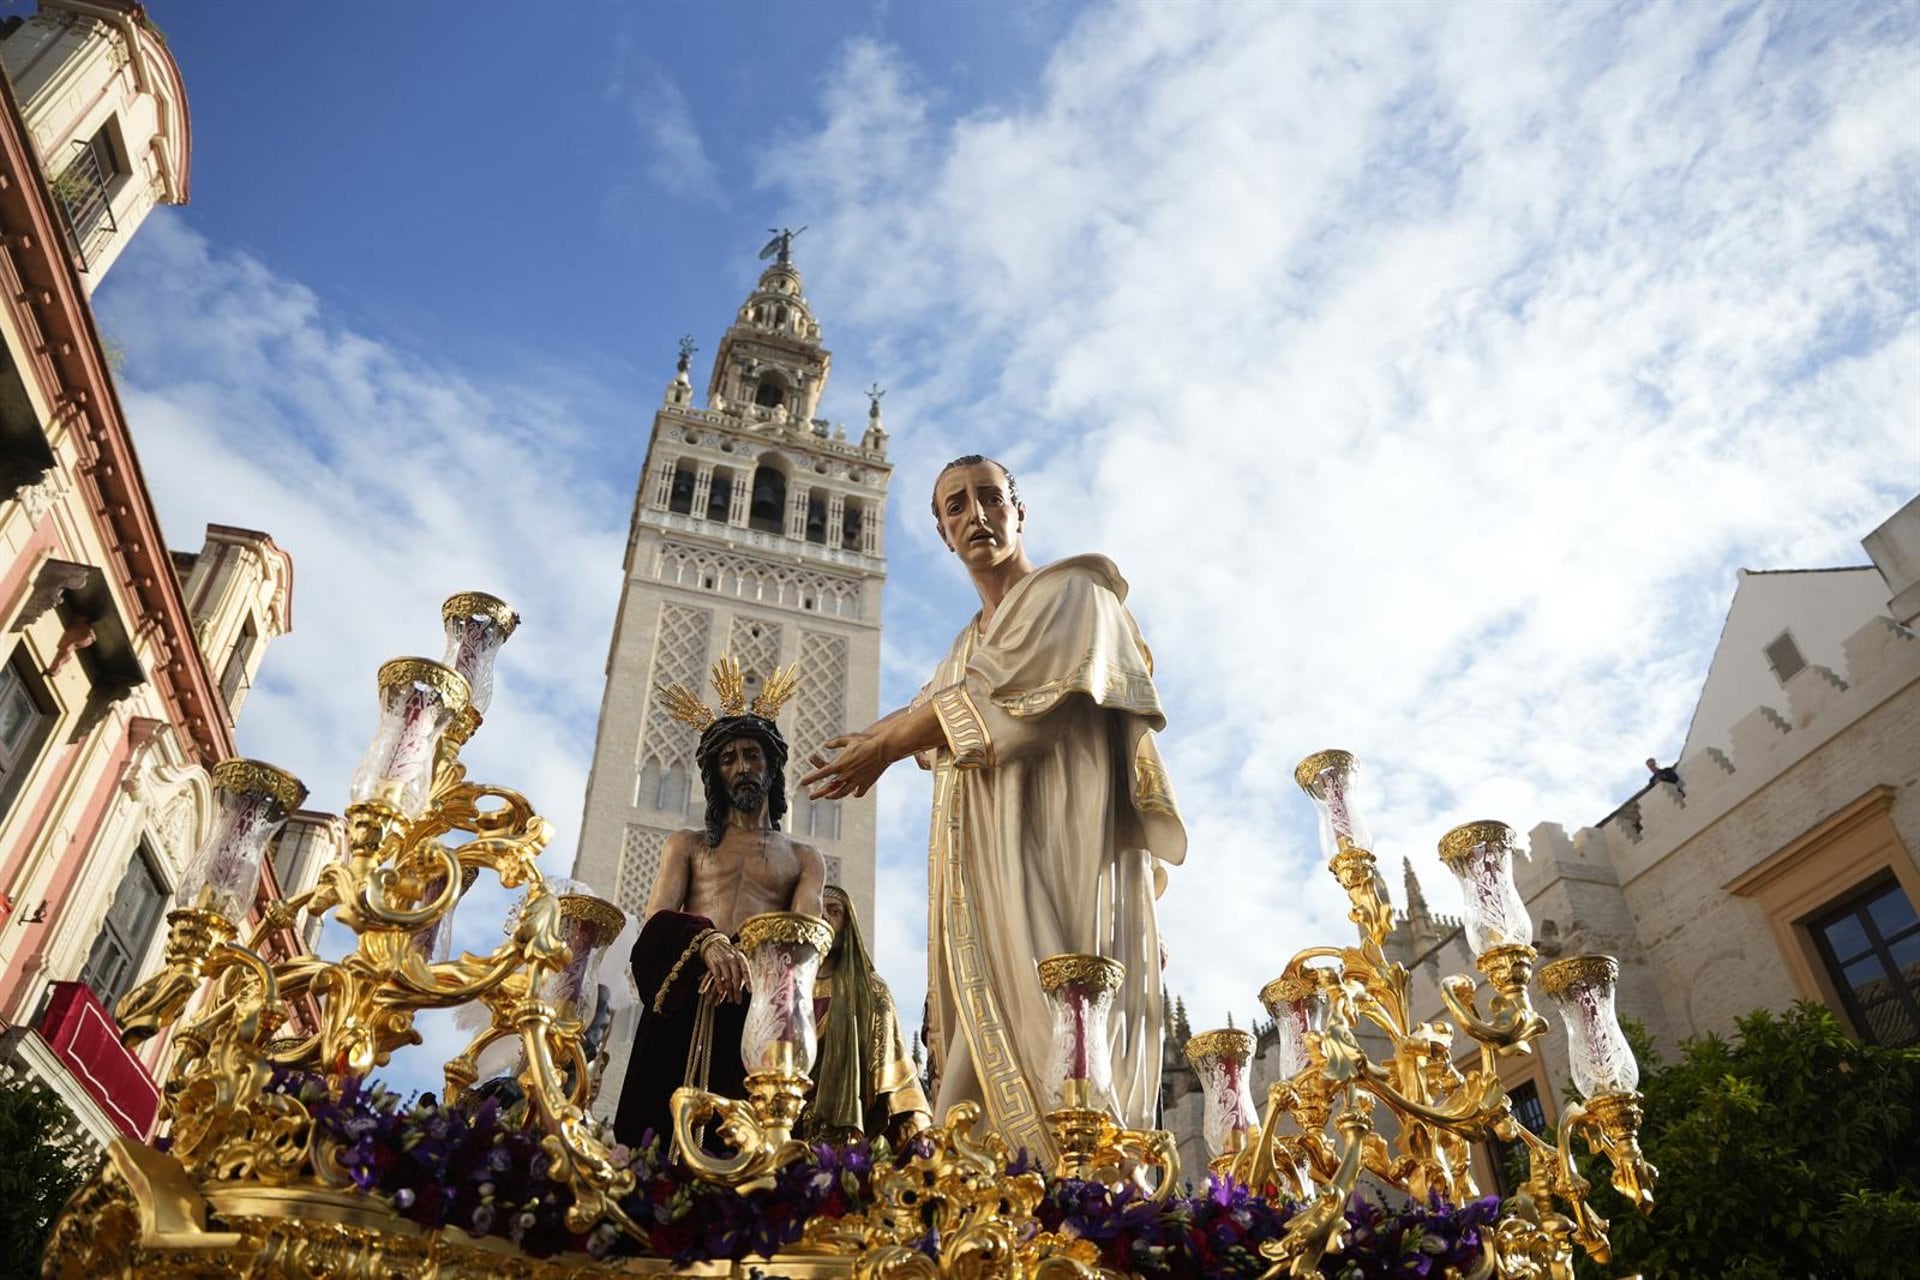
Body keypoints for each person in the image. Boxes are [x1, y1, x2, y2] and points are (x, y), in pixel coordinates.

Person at [801, 454, 1186, 1162]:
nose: (975, 515)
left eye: (989, 498)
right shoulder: (964, 646)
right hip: (986, 870)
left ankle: (1084, 1187)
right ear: (942, 531)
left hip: (1062, 854)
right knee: (979, 1062)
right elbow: (931, 704)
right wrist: (871, 739)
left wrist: (882, 749)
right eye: (956, 506)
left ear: (1019, 510)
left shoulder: (1073, 593)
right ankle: (995, 1201)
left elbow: (987, 701)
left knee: (1061, 1028)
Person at [613, 663, 827, 1149]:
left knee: (742, 1144)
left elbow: (804, 941)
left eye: (752, 755)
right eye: (727, 759)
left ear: (771, 767)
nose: (741, 766)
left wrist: (752, 967)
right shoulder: (687, 845)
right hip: (690, 990)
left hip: (758, 1008)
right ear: (715, 773)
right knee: (658, 1139)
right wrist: (706, 943)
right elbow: (657, 921)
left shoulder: (803, 858)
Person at [805, 884, 932, 1144]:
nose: (824, 917)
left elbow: (891, 1065)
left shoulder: (871, 991)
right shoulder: (788, 986)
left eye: (834, 911)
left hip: (843, 1135)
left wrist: (914, 1125)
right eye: (817, 911)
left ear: (848, 924)